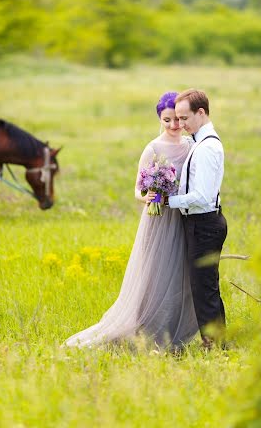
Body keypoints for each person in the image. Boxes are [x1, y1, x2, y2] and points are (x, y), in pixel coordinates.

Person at [64, 92, 199, 350]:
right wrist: (147, 196)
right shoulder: (153, 148)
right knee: (155, 275)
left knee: (179, 274)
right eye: (166, 120)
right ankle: (146, 329)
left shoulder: (191, 147)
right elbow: (137, 189)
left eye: (177, 120)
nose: (173, 126)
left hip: (182, 219)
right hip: (158, 222)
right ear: (160, 119)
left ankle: (174, 331)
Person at [167, 89, 227, 349]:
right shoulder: (199, 142)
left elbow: (202, 196)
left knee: (205, 288)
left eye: (184, 118)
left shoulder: (207, 147)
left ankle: (215, 344)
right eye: (176, 118)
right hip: (201, 224)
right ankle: (215, 340)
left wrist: (170, 201)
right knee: (203, 285)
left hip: (204, 224)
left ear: (201, 113)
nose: (180, 124)